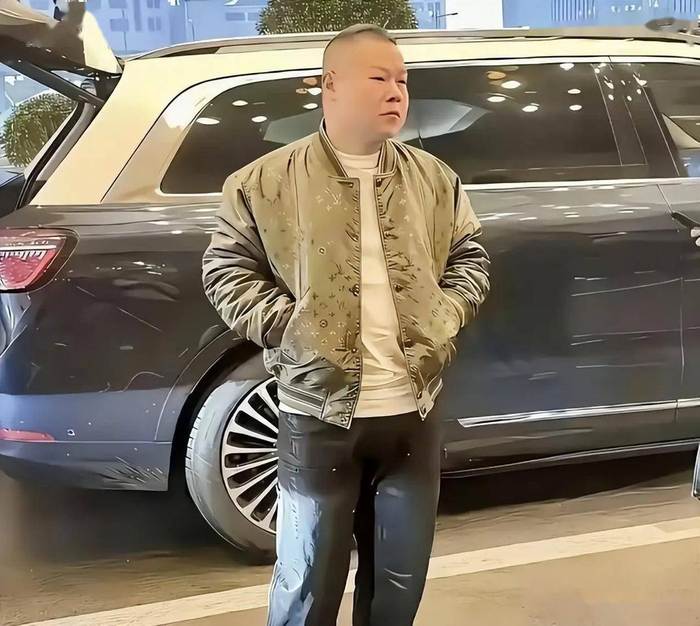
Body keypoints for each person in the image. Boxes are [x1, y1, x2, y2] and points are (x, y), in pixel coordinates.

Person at [202, 24, 490, 626]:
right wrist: (294, 329)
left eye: (403, 80)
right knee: (308, 584)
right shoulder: (263, 182)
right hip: (319, 412)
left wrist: (444, 315)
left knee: (398, 587)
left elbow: (470, 257)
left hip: (413, 412)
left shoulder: (434, 178)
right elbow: (226, 271)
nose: (397, 92)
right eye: (379, 78)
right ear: (330, 86)